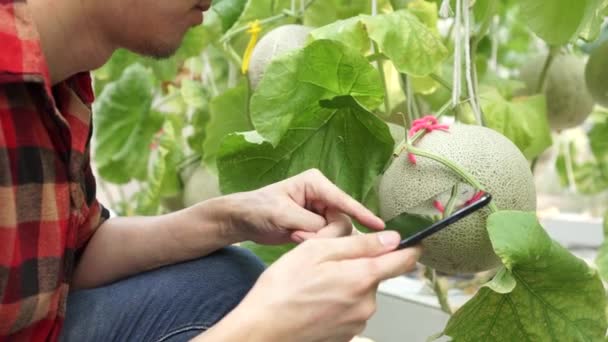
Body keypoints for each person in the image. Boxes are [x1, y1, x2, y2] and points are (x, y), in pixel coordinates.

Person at [0, 1, 422, 341]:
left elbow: (73, 257)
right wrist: (263, 330)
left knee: (225, 280)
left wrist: (229, 219)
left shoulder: (61, 79)